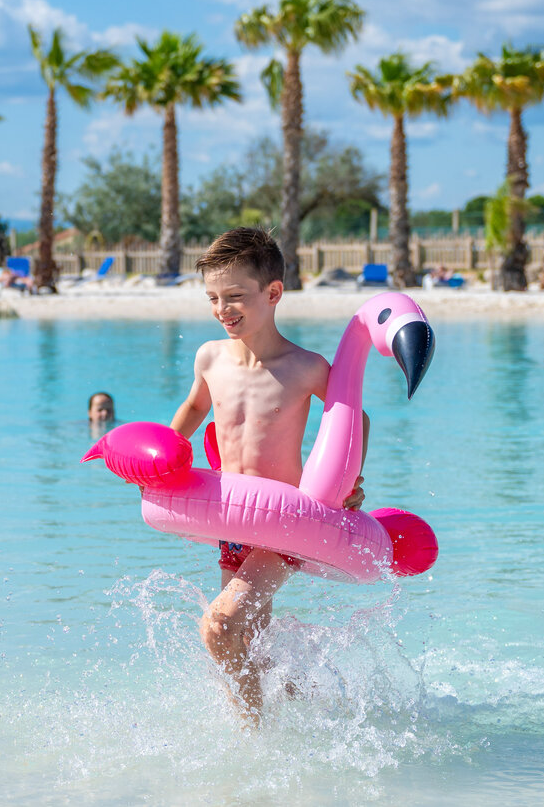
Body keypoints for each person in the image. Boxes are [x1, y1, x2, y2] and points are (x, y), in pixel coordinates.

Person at [169, 227, 368, 725]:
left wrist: (346, 481)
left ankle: (255, 735)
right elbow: (194, 409)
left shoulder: (304, 367)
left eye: (236, 296)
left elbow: (355, 419)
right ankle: (306, 699)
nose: (223, 308)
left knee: (218, 627)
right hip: (231, 521)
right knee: (247, 639)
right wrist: (163, 462)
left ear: (273, 293)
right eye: (213, 298)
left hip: (285, 525)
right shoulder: (210, 357)